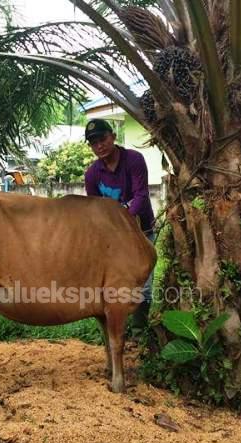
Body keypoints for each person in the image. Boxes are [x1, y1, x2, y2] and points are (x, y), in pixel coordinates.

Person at [83, 118, 156, 329]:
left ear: (113, 136)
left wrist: (121, 224)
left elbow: (141, 195)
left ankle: (139, 329)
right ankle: (116, 329)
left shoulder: (133, 159)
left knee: (143, 284)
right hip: (111, 239)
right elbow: (94, 208)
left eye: (103, 139)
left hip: (141, 232)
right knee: (113, 284)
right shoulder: (92, 174)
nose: (99, 146)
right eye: (93, 142)